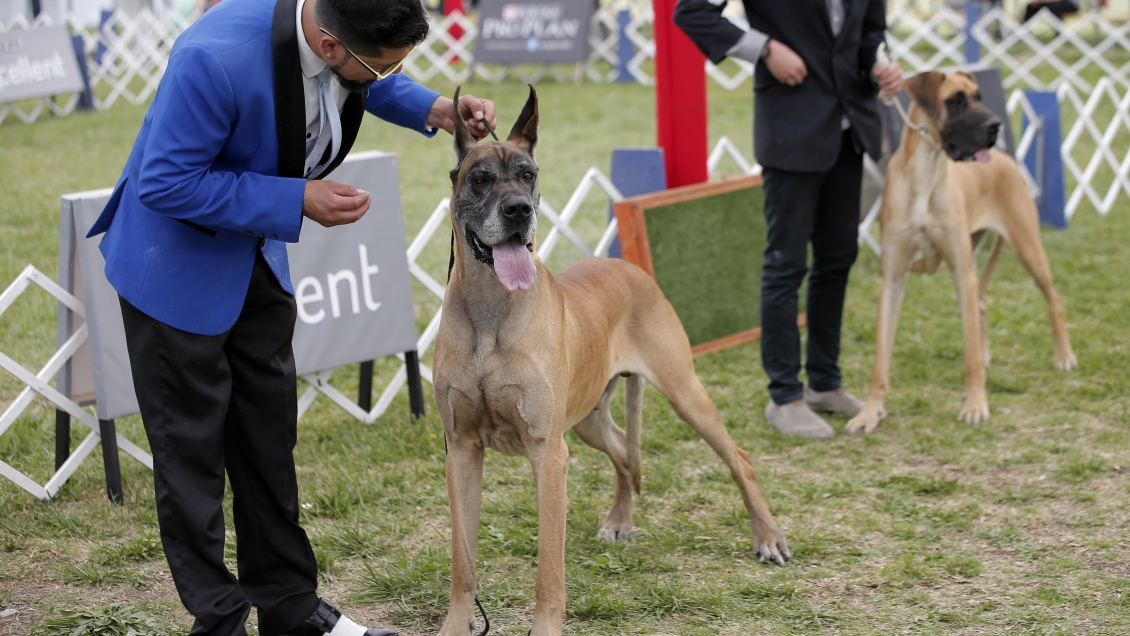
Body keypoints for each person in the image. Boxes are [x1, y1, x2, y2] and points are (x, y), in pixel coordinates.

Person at [85, 0, 496, 634]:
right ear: (331, 47)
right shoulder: (211, 57)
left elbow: (361, 84)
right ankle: (218, 620)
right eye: (383, 68)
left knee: (268, 444)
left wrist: (435, 109)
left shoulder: (335, 32)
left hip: (256, 261)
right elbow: (164, 181)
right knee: (192, 463)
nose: (389, 77)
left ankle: (291, 611)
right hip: (174, 272)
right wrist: (294, 196)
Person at [675, 0, 901, 439]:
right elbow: (692, 12)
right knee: (786, 264)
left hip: (850, 129)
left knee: (838, 259)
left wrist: (880, 64)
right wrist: (765, 49)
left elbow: (871, 30)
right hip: (791, 129)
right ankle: (785, 397)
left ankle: (824, 384)